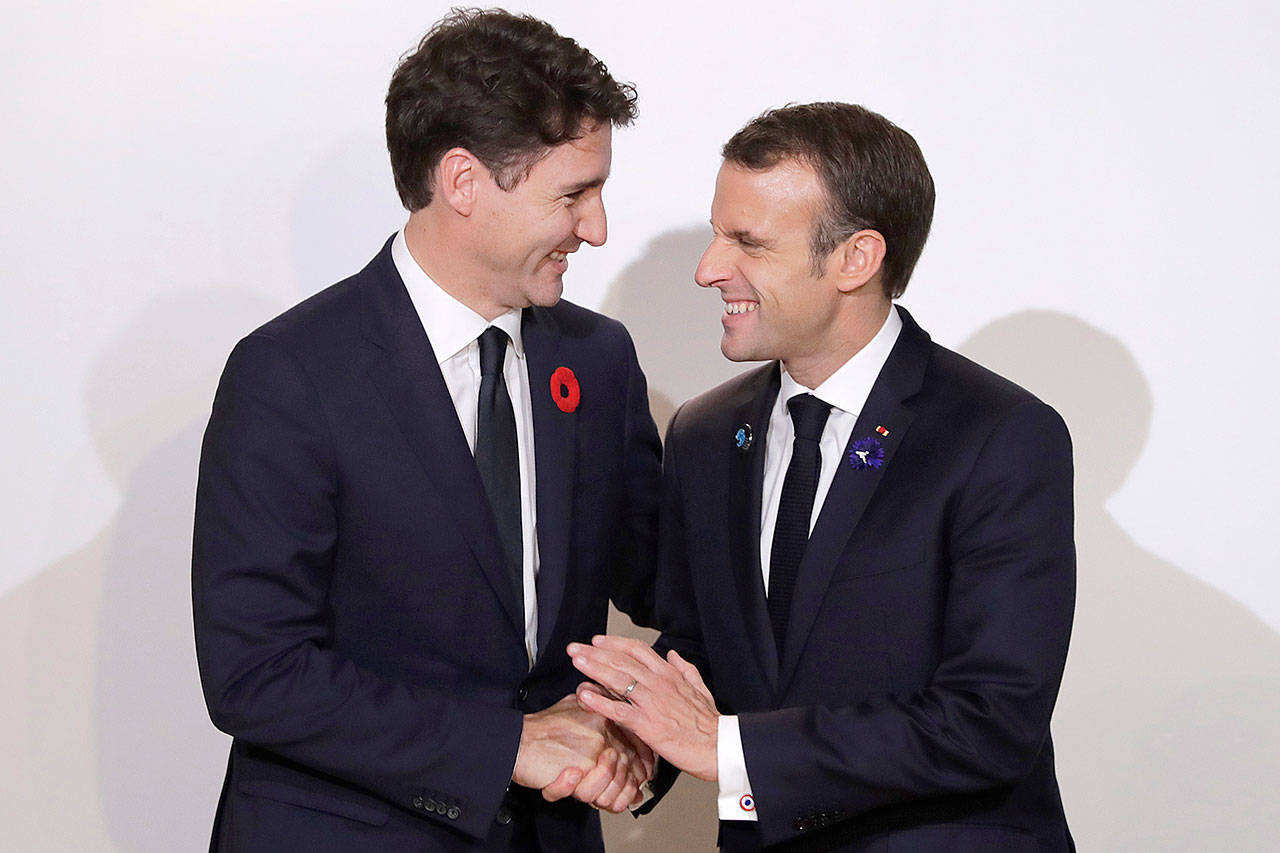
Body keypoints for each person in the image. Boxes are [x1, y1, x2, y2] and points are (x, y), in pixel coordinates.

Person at [192, 10, 662, 851]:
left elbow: (676, 588)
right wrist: (505, 745)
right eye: (572, 193)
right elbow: (255, 673)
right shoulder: (290, 374)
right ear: (463, 181)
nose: (596, 227)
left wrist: (642, 731)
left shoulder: (599, 362)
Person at [570, 102, 1076, 851]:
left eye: (748, 242)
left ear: (856, 258)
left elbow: (991, 720)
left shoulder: (999, 437)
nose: (709, 269)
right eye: (716, 233)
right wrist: (633, 728)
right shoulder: (706, 435)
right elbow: (709, 643)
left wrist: (728, 750)